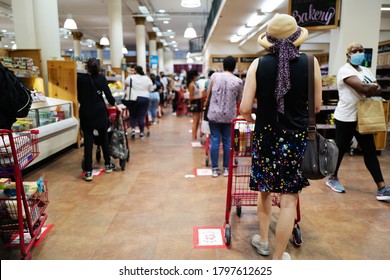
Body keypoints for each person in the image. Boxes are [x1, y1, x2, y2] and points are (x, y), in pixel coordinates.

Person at [239, 14, 322, 260]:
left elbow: (244, 108)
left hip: (266, 138)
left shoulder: (258, 65)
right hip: (296, 139)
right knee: (289, 199)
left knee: (264, 191)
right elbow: (316, 106)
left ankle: (263, 241)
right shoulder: (311, 62)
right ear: (297, 38)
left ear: (269, 41)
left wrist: (255, 122)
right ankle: (278, 256)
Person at [326, 42, 390, 201]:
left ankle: (382, 187)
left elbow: (379, 89)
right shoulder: (345, 70)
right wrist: (372, 86)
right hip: (346, 117)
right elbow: (363, 89)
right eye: (355, 51)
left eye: (361, 51)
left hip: (362, 117)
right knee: (341, 149)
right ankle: (332, 178)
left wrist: (371, 86)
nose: (358, 53)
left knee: (370, 150)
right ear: (348, 55)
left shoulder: (366, 70)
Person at [77, 57, 122, 181]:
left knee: (88, 140)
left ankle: (88, 171)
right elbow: (109, 96)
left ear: (86, 67)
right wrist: (115, 105)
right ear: (99, 67)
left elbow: (78, 95)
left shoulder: (80, 79)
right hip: (100, 111)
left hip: (85, 111)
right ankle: (108, 164)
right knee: (104, 138)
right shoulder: (101, 78)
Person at [207, 57, 243, 177]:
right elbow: (239, 99)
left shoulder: (214, 77)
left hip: (214, 114)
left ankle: (215, 169)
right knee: (228, 141)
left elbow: (208, 92)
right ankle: (227, 168)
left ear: (223, 65)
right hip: (229, 115)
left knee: (215, 140)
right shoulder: (238, 81)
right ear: (234, 67)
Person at [124, 65, 153, 139]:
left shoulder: (130, 77)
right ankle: (141, 133)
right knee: (141, 116)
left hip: (133, 98)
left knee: (132, 115)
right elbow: (151, 89)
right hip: (144, 98)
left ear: (135, 71)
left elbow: (126, 86)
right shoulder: (147, 78)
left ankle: (133, 130)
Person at [187, 69, 202, 141]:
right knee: (195, 121)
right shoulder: (191, 85)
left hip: (198, 102)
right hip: (195, 103)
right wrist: (200, 96)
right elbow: (191, 97)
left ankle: (195, 136)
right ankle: (193, 137)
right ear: (194, 76)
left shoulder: (195, 84)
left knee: (197, 121)